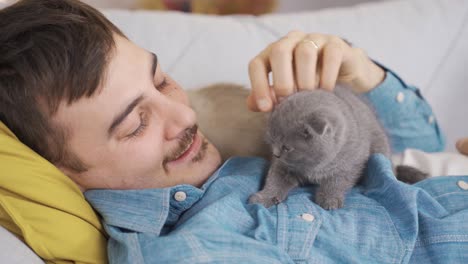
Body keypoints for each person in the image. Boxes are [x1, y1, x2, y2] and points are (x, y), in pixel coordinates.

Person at [0, 0, 466, 263]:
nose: (185, 117)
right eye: (136, 123)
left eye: (161, 79)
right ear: (56, 172)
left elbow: (420, 150)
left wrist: (358, 72)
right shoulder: (195, 251)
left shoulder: (245, 149)